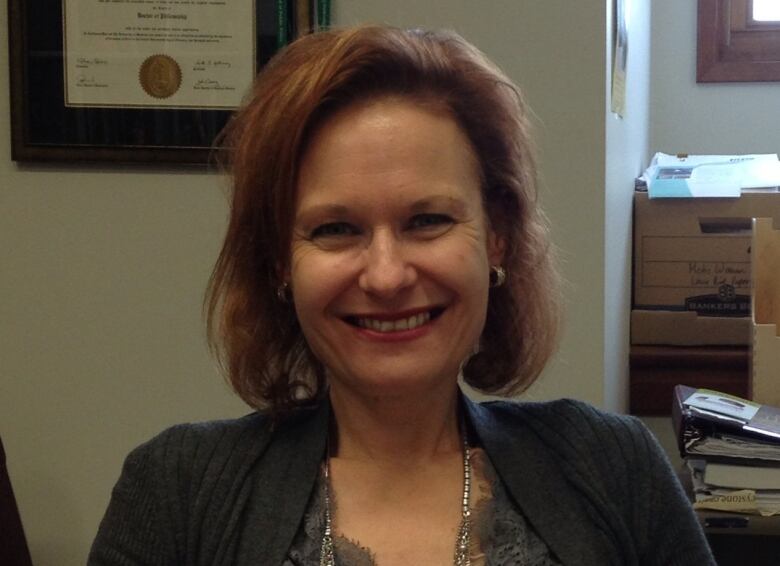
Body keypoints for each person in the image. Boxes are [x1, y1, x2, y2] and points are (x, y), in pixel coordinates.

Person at [89, 25, 715, 566]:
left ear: (496, 236)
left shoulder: (616, 469)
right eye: (336, 229)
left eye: (428, 221)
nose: (386, 277)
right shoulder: (175, 490)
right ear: (281, 260)